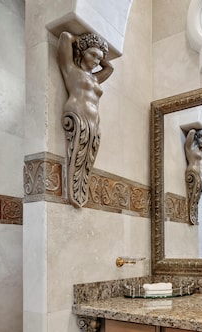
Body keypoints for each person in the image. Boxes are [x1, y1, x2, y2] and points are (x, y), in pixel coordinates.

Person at [57, 31, 114, 208]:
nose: (97, 61)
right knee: (77, 155)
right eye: (93, 55)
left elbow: (110, 68)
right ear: (82, 52)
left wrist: (99, 49)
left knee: (87, 158)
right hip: (77, 116)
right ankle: (74, 189)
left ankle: (79, 189)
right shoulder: (71, 69)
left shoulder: (96, 78)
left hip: (93, 122)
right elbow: (65, 37)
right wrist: (81, 42)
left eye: (100, 58)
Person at [184, 128, 202, 225]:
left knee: (196, 198)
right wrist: (198, 130)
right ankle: (191, 214)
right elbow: (191, 131)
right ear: (197, 138)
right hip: (193, 173)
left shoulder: (199, 150)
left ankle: (193, 214)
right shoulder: (190, 148)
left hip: (200, 175)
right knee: (192, 196)